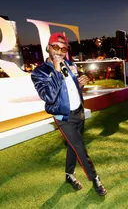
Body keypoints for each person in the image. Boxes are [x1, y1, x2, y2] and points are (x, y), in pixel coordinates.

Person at [31, 33, 107, 196]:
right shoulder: (40, 72)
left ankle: (69, 175)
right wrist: (57, 70)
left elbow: (70, 90)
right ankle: (96, 180)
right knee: (80, 148)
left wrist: (79, 84)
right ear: (48, 48)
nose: (59, 51)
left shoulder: (70, 64)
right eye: (55, 46)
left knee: (73, 147)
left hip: (78, 112)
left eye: (63, 47)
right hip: (63, 117)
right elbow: (49, 97)